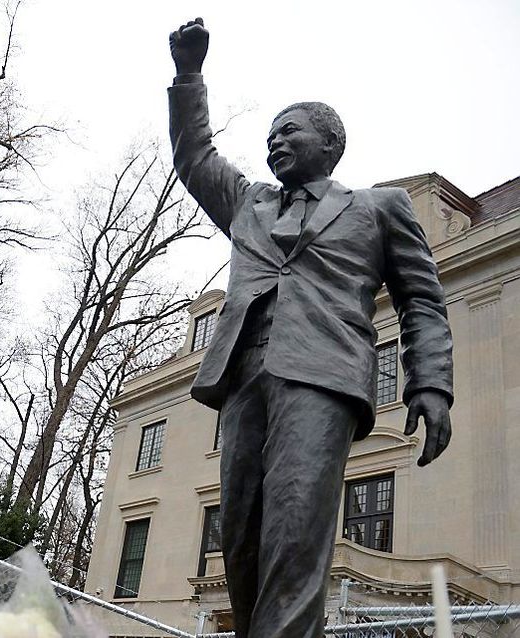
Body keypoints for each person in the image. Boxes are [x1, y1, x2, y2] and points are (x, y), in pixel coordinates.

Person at [168, 18, 453, 638]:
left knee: (295, 532)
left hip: (321, 380)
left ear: (329, 142)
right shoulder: (250, 204)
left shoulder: (381, 208)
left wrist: (429, 384)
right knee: (240, 542)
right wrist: (189, 75)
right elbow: (194, 158)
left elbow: (422, 301)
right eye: (269, 136)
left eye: (288, 131)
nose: (273, 142)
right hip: (243, 383)